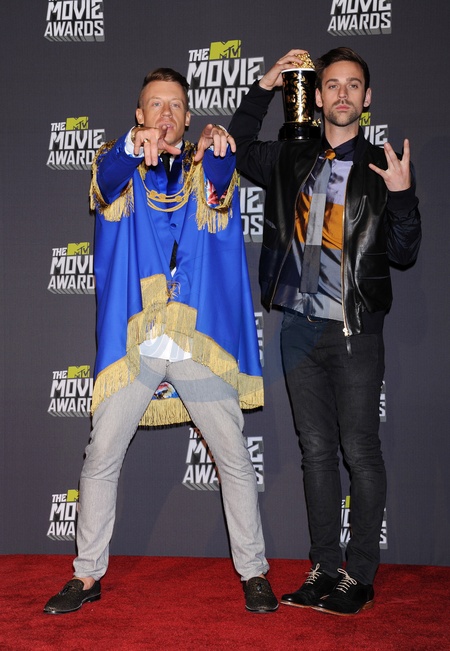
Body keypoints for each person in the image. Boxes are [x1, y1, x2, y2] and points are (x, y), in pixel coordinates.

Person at [44, 68, 278, 615]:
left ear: (188, 116)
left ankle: (254, 572)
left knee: (234, 457)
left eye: (175, 105)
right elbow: (106, 179)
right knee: (101, 455)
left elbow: (220, 182)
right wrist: (131, 146)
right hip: (138, 343)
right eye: (155, 104)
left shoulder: (206, 162)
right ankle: (86, 575)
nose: (165, 113)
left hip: (196, 340)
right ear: (139, 114)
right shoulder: (119, 163)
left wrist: (219, 147)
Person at [228, 47, 421, 616]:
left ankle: (359, 575)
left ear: (367, 98)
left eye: (353, 85)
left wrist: (403, 196)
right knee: (315, 452)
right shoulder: (292, 155)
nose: (342, 94)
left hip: (353, 328)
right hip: (296, 325)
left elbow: (405, 252)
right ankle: (323, 569)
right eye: (332, 84)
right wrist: (266, 84)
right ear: (316, 96)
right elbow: (236, 146)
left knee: (359, 450)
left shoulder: (384, 165)